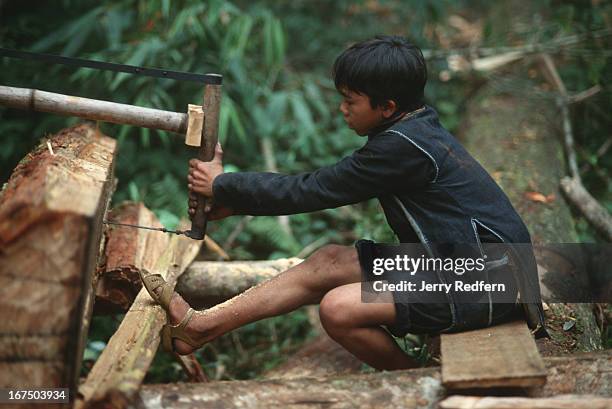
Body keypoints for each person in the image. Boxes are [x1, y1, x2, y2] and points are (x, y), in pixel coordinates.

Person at [140, 35, 546, 371]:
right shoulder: (413, 129)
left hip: (489, 281)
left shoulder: (401, 148)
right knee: (328, 261)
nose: (342, 109)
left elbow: (315, 189)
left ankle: (414, 379)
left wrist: (225, 185)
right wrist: (235, 198)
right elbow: (320, 186)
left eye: (351, 100)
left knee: (339, 309)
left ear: (386, 107)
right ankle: (202, 326)